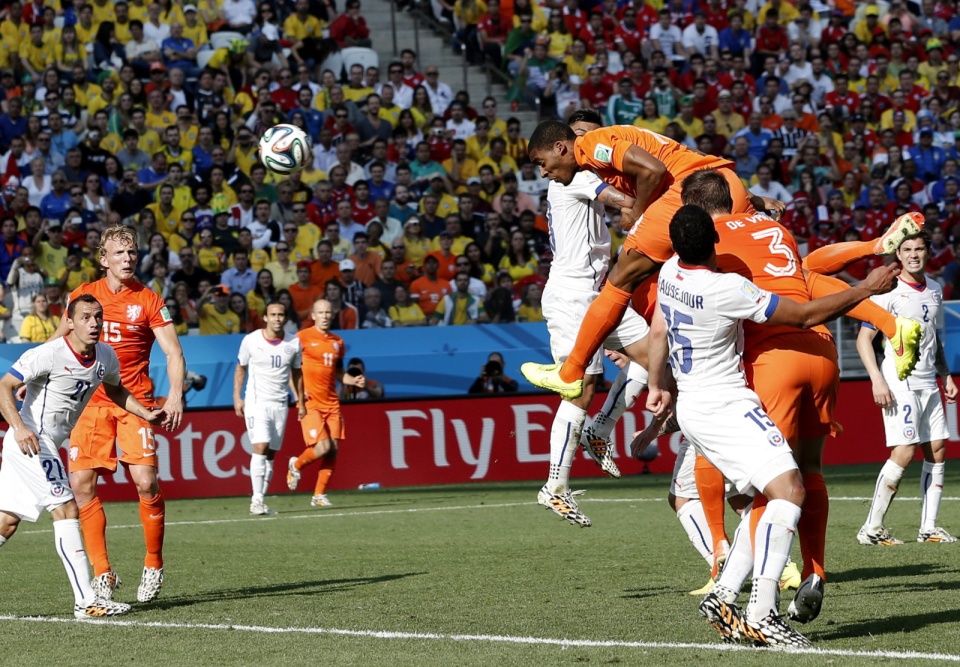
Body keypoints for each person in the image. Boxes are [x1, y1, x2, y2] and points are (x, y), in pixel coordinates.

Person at [522, 112, 923, 399]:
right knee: (788, 270)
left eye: (543, 162)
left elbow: (651, 169)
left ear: (563, 146)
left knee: (620, 280)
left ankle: (572, 371)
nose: (543, 172)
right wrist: (752, 200)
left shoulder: (592, 145)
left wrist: (638, 213)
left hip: (690, 190)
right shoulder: (618, 138)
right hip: (723, 183)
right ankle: (890, 322)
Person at [647, 204, 896, 647]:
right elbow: (802, 316)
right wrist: (865, 288)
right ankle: (762, 613)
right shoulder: (727, 288)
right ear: (716, 242)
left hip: (696, 405)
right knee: (792, 491)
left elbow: (658, 331)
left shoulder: (668, 273)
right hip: (725, 404)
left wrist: (656, 385)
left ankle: (724, 595)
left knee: (769, 494)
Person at [0, 294, 166, 619]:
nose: (94, 323)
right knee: (66, 508)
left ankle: (87, 600)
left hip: (44, 443)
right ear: (70, 320)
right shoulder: (48, 353)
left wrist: (145, 414)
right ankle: (87, 600)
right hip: (33, 442)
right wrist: (19, 427)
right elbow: (4, 386)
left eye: (98, 317)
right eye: (86, 317)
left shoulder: (105, 354)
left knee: (6, 522)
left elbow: (116, 389)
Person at [46, 225, 185, 604]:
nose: (127, 260)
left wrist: (175, 395)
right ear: (103, 259)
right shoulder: (83, 296)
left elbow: (173, 351)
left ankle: (153, 563)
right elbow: (58, 341)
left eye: (132, 254)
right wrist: (30, 374)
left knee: (145, 481)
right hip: (87, 403)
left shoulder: (151, 300)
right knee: (82, 486)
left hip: (134, 402)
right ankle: (102, 573)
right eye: (119, 254)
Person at [535, 167, 651, 527]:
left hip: (600, 294)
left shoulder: (580, 178)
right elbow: (626, 203)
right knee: (580, 391)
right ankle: (555, 486)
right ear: (564, 146)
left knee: (654, 356)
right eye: (581, 137)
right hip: (572, 298)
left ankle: (600, 430)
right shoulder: (572, 177)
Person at [856, 232, 958, 546]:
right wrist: (877, 379)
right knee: (904, 450)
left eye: (919, 249)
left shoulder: (935, 289)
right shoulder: (888, 289)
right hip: (900, 381)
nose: (914, 255)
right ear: (898, 255)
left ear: (928, 252)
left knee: (938, 448)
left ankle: (928, 528)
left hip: (930, 380)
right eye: (907, 250)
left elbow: (934, 338)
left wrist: (947, 376)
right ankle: (871, 529)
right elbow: (863, 339)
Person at [287, 298, 365, 507]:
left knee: (333, 449)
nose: (324, 316)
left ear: (332, 315)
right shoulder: (301, 338)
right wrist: (297, 396)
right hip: (310, 402)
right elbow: (289, 369)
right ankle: (296, 464)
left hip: (332, 403)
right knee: (322, 447)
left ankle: (318, 495)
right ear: (313, 315)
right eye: (320, 313)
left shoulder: (337, 342)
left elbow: (339, 373)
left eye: (328, 313)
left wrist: (353, 380)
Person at [234, 301, 304, 516]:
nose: (277, 318)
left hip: (280, 403)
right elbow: (241, 368)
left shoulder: (294, 343)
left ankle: (261, 499)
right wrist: (237, 397)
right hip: (257, 402)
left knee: (271, 453)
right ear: (265, 317)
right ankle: (255, 500)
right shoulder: (251, 341)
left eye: (280, 315)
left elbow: (297, 373)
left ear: (285, 317)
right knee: (261, 446)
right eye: (272, 314)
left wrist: (300, 399)